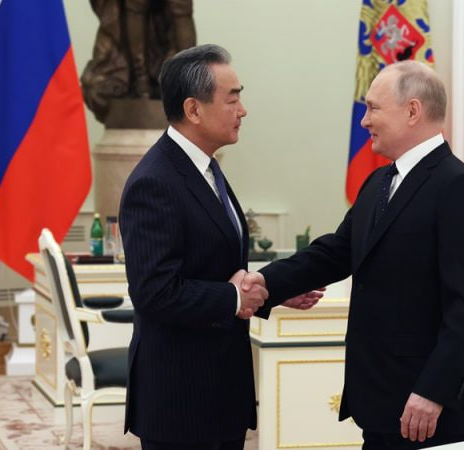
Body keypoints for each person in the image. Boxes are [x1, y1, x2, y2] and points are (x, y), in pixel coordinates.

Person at [245, 60, 464, 449]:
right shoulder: (380, 180)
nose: (364, 121)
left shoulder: (459, 188)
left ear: (412, 111)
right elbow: (336, 252)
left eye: (373, 108)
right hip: (381, 398)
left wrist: (433, 391)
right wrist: (265, 282)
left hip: (431, 408)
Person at [119, 44, 320, 450]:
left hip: (219, 392)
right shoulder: (154, 181)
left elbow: (216, 267)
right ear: (194, 109)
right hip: (181, 400)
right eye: (232, 99)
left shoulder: (205, 168)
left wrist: (270, 292)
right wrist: (236, 297)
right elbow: (154, 292)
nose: (243, 110)